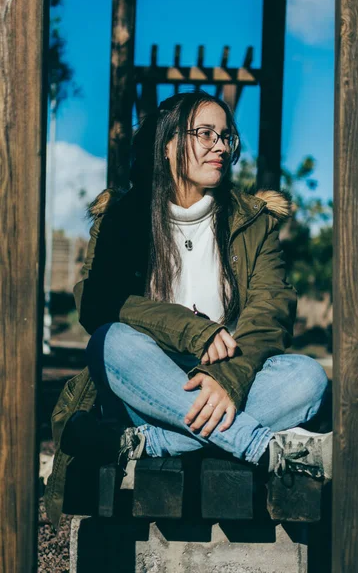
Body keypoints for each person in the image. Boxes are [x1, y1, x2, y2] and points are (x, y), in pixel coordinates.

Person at [76, 89, 332, 485]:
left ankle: (151, 442)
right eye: (205, 133)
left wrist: (228, 378)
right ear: (168, 145)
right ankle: (261, 445)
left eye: (226, 136)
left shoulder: (254, 220)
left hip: (230, 377)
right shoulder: (121, 219)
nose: (221, 147)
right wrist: (193, 330)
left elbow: (272, 306)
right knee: (109, 341)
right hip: (152, 383)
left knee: (307, 377)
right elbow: (97, 302)